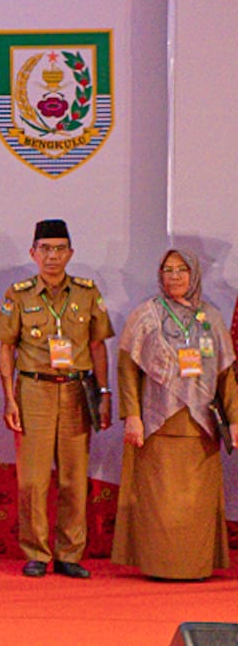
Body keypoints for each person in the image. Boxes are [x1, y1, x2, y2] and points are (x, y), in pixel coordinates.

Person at [0, 218, 113, 579]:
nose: (52, 256)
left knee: (74, 479)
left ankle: (69, 553)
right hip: (34, 391)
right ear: (33, 253)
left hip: (77, 390)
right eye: (45, 249)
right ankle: (36, 552)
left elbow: (98, 346)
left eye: (60, 249)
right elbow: (6, 348)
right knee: (33, 480)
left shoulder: (87, 292)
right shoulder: (19, 294)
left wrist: (104, 394)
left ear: (70, 253)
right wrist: (9, 398)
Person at [112, 248, 237, 580]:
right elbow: (127, 369)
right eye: (168, 270)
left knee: (195, 505)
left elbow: (226, 374)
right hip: (157, 427)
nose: (175, 276)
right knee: (160, 504)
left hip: (201, 429)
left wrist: (234, 420)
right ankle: (159, 567)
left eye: (182, 270)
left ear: (194, 274)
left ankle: (195, 567)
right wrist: (132, 416)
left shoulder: (211, 317)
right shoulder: (145, 316)